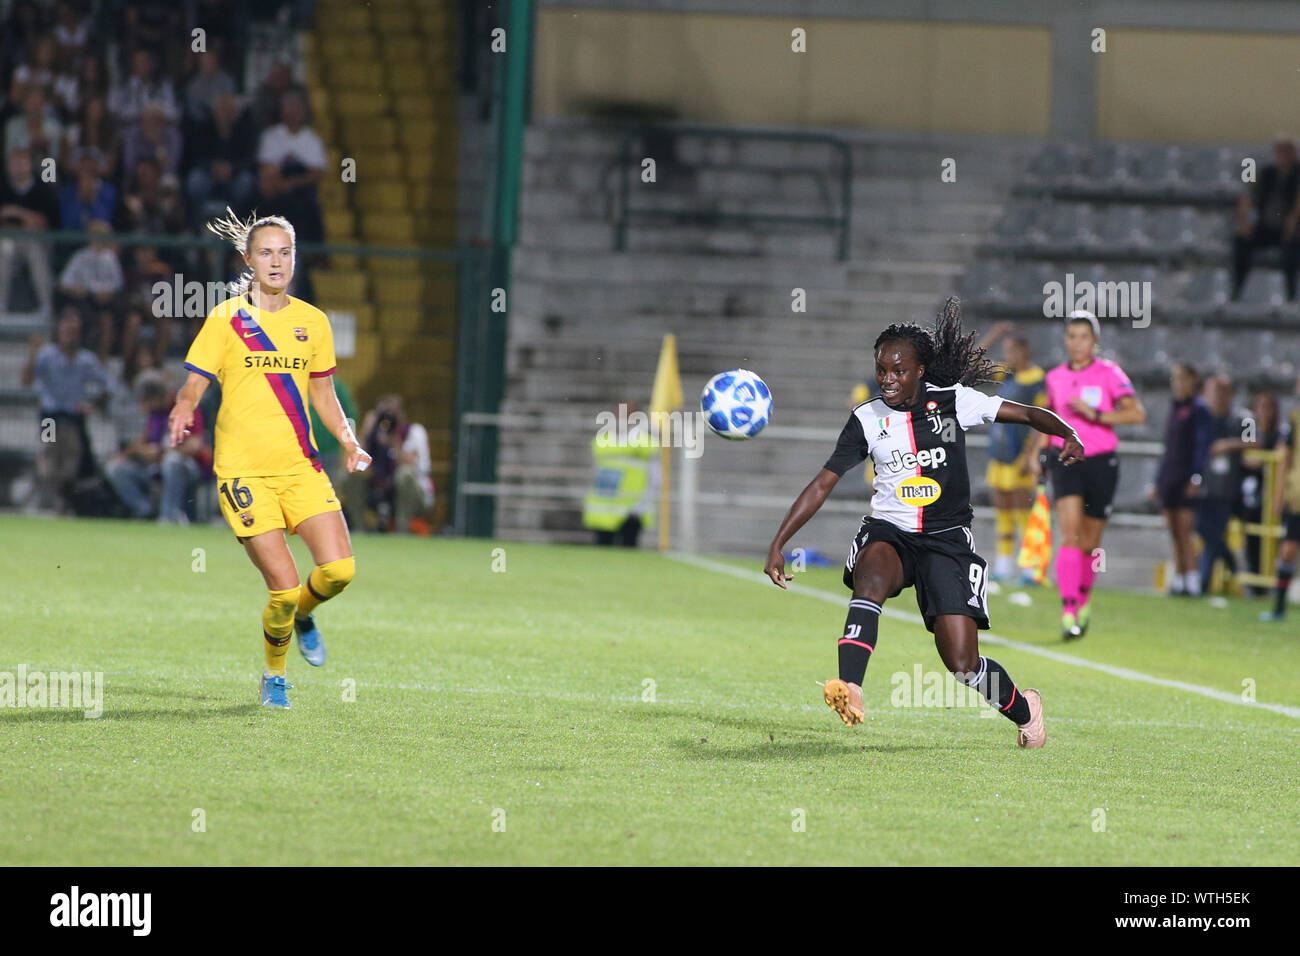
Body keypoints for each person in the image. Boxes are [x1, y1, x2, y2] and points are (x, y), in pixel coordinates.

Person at [764, 298, 1082, 748]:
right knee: (870, 577)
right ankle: (850, 687)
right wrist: (780, 541)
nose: (888, 380)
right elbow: (822, 483)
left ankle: (1025, 710)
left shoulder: (955, 403)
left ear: (920, 371)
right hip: (891, 531)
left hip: (947, 539)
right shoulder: (866, 419)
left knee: (961, 662)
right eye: (881, 370)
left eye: (899, 371)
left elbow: (1028, 414)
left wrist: (1067, 432)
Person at [167, 209, 372, 708]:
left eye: (285, 252)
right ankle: (274, 676)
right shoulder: (226, 319)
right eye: (266, 252)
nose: (276, 261)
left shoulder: (313, 322)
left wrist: (348, 441)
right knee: (281, 589)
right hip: (243, 472)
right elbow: (195, 383)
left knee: (340, 572)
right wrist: (183, 407)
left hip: (301, 467)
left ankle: (304, 615)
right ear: (248, 259)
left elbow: (324, 395)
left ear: (295, 259)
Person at [1026, 310, 1146, 639]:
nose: (1077, 343)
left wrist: (1096, 414)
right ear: (1065, 341)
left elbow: (1136, 414)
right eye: (1071, 337)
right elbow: (1047, 418)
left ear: (1094, 341)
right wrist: (1037, 452)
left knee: (1091, 544)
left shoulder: (1109, 373)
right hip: (1065, 458)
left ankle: (1083, 598)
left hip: (1101, 461)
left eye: (1083, 337)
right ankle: (1068, 609)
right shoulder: (1055, 377)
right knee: (1070, 534)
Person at [977, 320, 1047, 583]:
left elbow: (1041, 420)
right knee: (1003, 508)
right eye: (1005, 351)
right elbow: (973, 365)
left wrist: (1030, 455)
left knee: (1022, 510)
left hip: (1020, 455)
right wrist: (992, 335)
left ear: (1024, 351)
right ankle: (1004, 564)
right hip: (999, 452)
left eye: (1011, 351)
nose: (1007, 357)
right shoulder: (1007, 374)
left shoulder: (1036, 379)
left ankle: (1031, 566)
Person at [20, 311, 107, 513]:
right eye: (67, 331)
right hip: (50, 417)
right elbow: (26, 381)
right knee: (48, 458)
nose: (71, 336)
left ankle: (63, 501)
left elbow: (105, 384)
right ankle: (50, 499)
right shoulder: (46, 355)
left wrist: (92, 403)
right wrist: (32, 356)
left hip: (72, 418)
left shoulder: (86, 359)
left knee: (71, 464)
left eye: (74, 332)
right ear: (58, 333)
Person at [106, 379, 209, 522]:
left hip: (188, 468)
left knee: (171, 461)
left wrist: (162, 452)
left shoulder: (184, 406)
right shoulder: (156, 413)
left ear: (156, 396)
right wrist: (133, 453)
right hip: (156, 468)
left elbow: (196, 445)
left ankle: (169, 516)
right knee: (115, 468)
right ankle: (145, 511)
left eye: (146, 400)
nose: (143, 404)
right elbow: (143, 440)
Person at [1153, 362, 1211, 596]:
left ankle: (1194, 579)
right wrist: (1158, 480)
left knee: (1186, 531)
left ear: (1193, 379)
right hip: (1170, 475)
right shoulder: (1175, 407)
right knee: (1174, 531)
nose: (1177, 383)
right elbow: (1168, 447)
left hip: (1187, 475)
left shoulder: (1199, 409)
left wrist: (1196, 476)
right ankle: (1179, 578)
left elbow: (1202, 445)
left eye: (1181, 378)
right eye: (1174, 378)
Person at [344, 394, 435, 533]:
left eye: (392, 413)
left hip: (411, 494)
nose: (387, 420)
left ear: (402, 413)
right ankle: (359, 527)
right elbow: (354, 461)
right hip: (377, 487)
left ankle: (402, 530)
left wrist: (395, 441)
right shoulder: (374, 434)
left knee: (404, 475)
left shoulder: (413, 432)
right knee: (350, 476)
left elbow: (414, 468)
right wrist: (366, 433)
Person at [1195, 375, 1249, 594]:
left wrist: (1227, 445)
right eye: (1213, 390)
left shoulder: (1242, 419)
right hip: (1201, 486)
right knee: (1207, 532)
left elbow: (1255, 440)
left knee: (1213, 535)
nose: (1217, 395)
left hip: (1227, 489)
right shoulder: (1200, 419)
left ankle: (1201, 584)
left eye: (1222, 390)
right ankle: (1233, 565)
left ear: (1232, 394)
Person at [1232, 134, 1300, 301]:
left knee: (1291, 249)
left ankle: (1290, 295)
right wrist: (1245, 221)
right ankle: (1237, 290)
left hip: (1292, 229)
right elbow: (1248, 197)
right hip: (1267, 226)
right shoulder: (1267, 173)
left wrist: (1292, 223)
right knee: (1241, 241)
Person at [582, 401, 658, 547]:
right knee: (601, 555)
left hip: (632, 510)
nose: (622, 417)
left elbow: (655, 478)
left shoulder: (646, 442)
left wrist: (641, 505)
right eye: (619, 413)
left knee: (628, 555)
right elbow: (596, 473)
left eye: (628, 413)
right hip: (603, 510)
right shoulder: (602, 439)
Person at [0, 145, 61, 317]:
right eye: (14, 161)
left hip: (36, 242)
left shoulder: (43, 188)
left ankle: (46, 307)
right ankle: (1, 305)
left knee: (35, 250)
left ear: (30, 165)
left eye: (23, 160)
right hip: (9, 242)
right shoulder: (3, 186)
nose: (18, 165)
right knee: (4, 249)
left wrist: (14, 211)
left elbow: (41, 223)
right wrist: (24, 219)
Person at [57, 219, 124, 362]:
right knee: (77, 316)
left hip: (104, 302)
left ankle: (102, 361)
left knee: (108, 320)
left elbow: (118, 284)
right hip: (83, 299)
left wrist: (107, 293)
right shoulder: (81, 257)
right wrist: (78, 290)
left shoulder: (110, 258)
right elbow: (64, 283)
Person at [1261, 376, 1300, 622]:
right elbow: (1283, 458)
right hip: (1296, 496)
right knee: (1287, 551)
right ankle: (1278, 608)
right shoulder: (1294, 419)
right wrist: (1278, 497)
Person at [1238, 390, 1281, 594]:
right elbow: (1249, 456)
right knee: (1252, 535)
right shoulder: (1250, 426)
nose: (1264, 411)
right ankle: (1254, 582)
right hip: (1253, 489)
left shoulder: (1280, 431)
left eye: (1268, 407)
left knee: (1272, 538)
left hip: (1272, 489)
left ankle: (1269, 580)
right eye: (1261, 406)